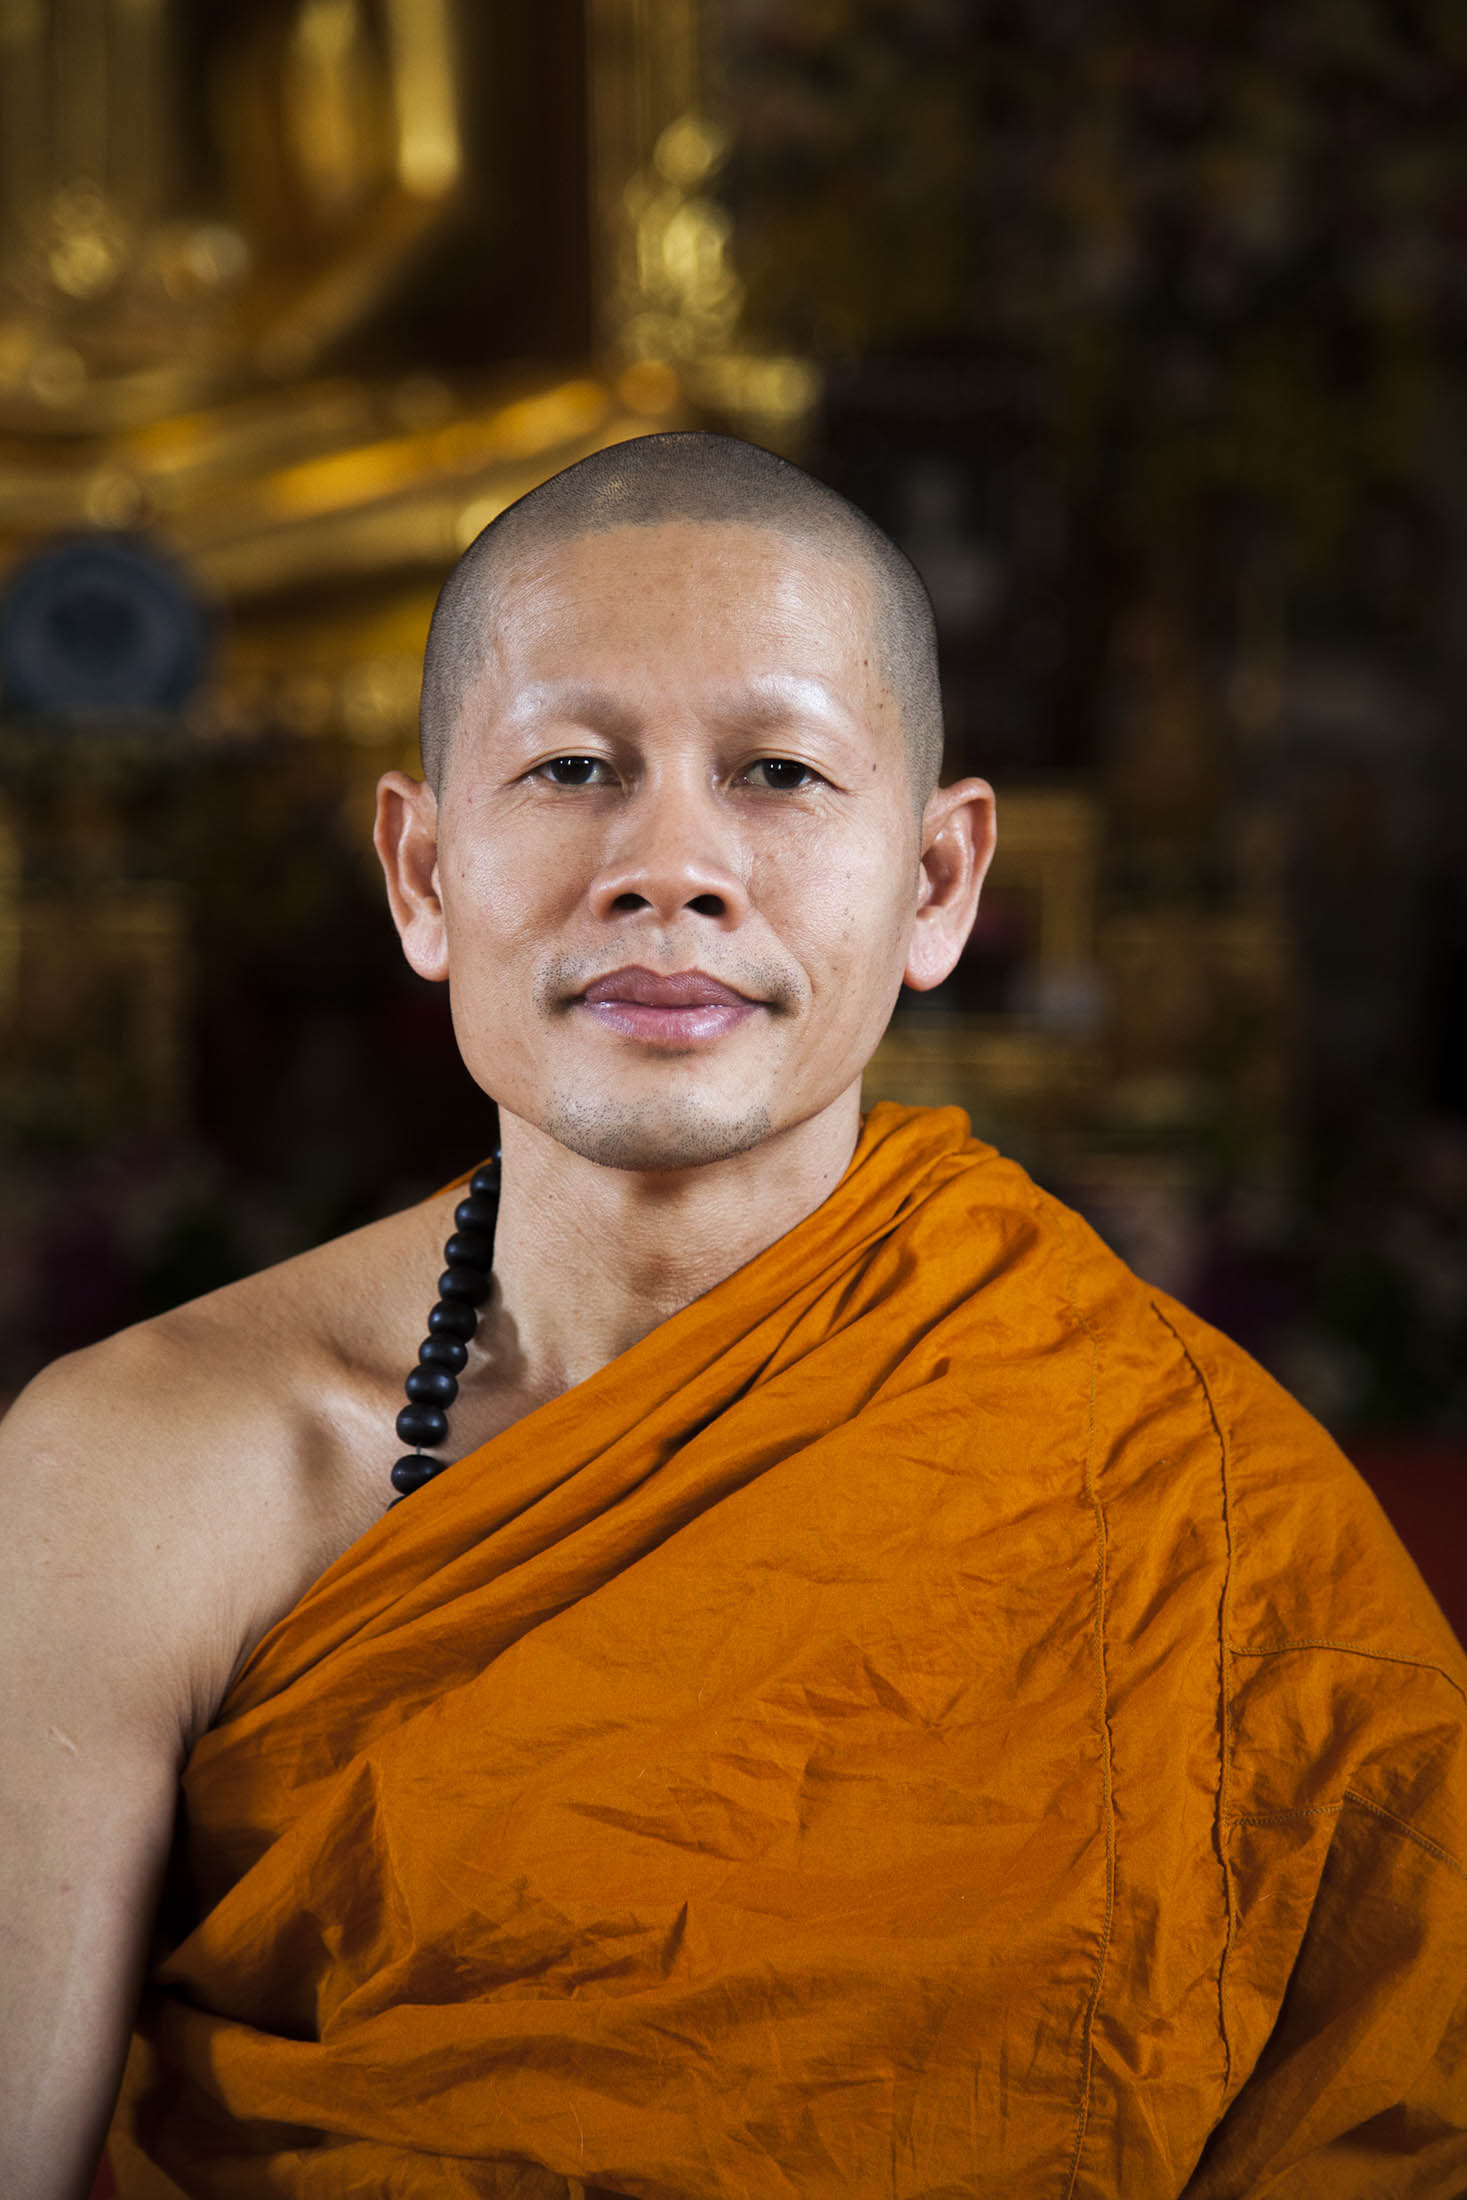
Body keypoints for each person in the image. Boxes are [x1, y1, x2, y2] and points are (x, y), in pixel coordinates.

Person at [1, 432, 1464, 2200]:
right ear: (421, 872)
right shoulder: (135, 1474)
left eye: (775, 770)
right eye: (570, 767)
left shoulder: (1180, 1492)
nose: (671, 866)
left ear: (937, 884)